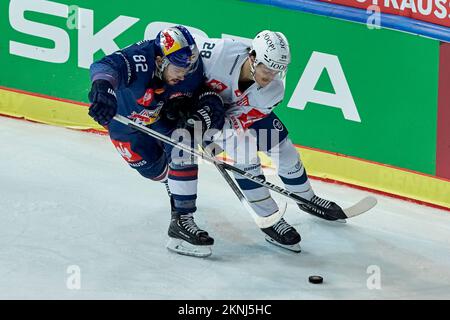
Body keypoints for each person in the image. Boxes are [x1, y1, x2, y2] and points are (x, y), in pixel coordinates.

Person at [195, 30, 346, 252]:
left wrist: (210, 139)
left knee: (284, 149)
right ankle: (269, 218)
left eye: (278, 70)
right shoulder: (219, 53)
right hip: (200, 110)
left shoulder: (273, 90)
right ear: (253, 57)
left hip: (232, 115)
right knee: (245, 155)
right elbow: (181, 62)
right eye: (268, 68)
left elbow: (237, 121)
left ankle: (307, 199)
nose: (271, 76)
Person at [87, 25, 225, 257]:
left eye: (188, 67)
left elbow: (202, 93)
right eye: (179, 68)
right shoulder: (140, 58)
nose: (184, 74)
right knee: (157, 172)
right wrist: (103, 89)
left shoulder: (190, 68)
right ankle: (174, 185)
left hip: (158, 117)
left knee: (183, 144)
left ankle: (182, 220)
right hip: (125, 125)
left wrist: (191, 108)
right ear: (160, 60)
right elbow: (104, 66)